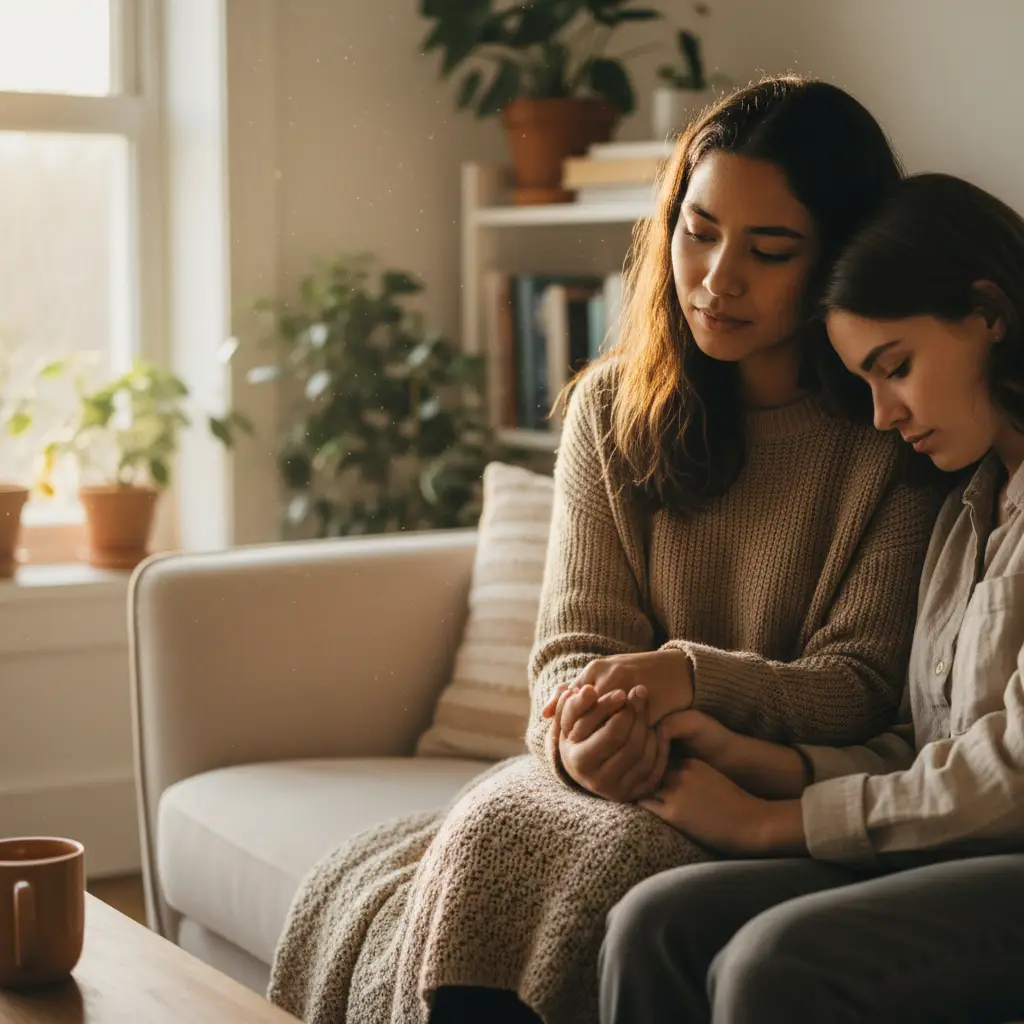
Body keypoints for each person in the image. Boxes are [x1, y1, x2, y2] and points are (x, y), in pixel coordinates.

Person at [267, 77, 943, 1024]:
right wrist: (581, 744)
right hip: (610, 772)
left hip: (760, 789)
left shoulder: (894, 432)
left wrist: (688, 680)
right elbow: (570, 650)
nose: (717, 278)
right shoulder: (611, 409)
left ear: (839, 257)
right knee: (496, 823)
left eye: (771, 249)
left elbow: (860, 682)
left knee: (607, 866)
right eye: (698, 230)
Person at [599, 171, 1024, 1024]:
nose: (881, 416)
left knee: (773, 965)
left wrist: (770, 824)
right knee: (657, 921)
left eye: (894, 368)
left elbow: (1010, 773)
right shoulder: (968, 510)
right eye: (863, 381)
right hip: (972, 849)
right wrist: (759, 763)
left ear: (987, 315)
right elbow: (926, 742)